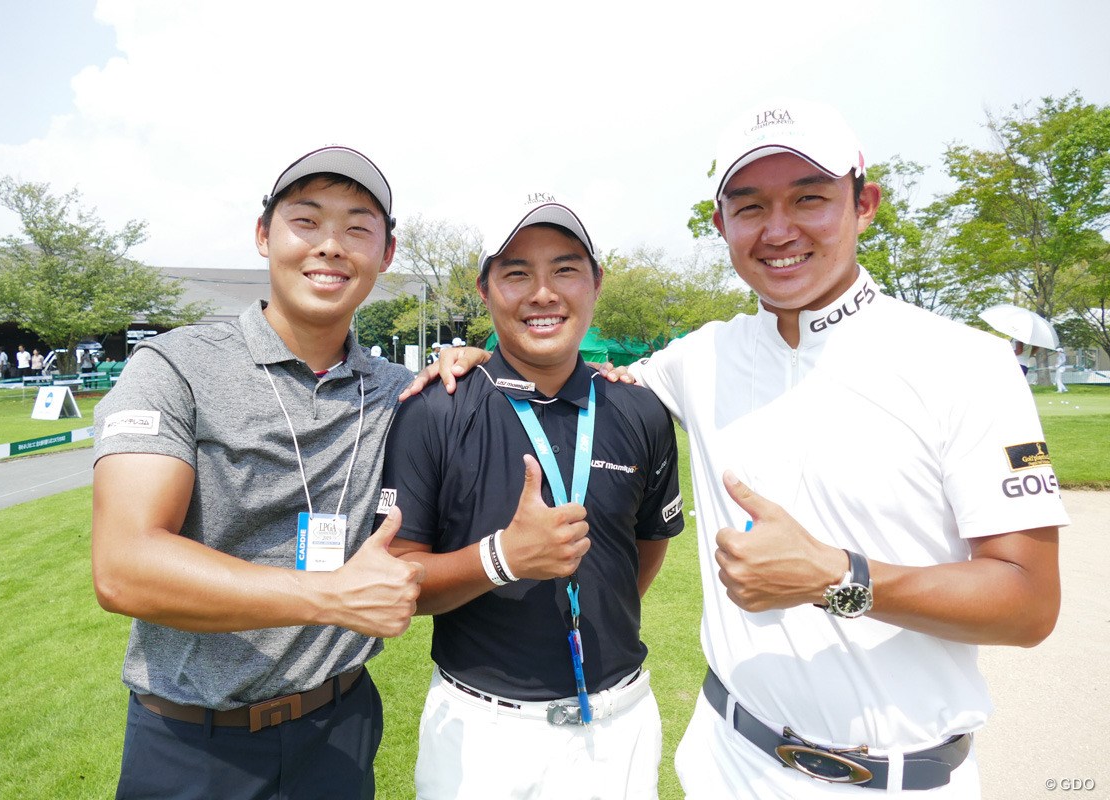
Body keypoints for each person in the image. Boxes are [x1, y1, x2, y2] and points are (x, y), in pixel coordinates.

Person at [605, 99, 1066, 798]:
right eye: (751, 206)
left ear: (865, 204)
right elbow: (580, 383)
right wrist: (464, 365)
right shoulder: (700, 358)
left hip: (903, 779)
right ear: (720, 224)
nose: (779, 230)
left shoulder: (967, 364)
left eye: (810, 198)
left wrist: (836, 578)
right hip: (726, 762)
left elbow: (1029, 602)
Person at [91, 145, 428, 800]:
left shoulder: (403, 392)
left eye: (358, 226)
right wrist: (328, 595)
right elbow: (124, 565)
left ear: (386, 254)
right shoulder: (174, 367)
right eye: (307, 220)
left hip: (341, 729)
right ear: (263, 235)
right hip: (192, 744)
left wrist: (470, 363)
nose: (330, 245)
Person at [381, 195, 684, 799]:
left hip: (618, 723)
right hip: (482, 733)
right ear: (486, 289)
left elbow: (644, 549)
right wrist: (504, 560)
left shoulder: (639, 408)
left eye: (565, 269)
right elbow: (396, 577)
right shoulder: (436, 409)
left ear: (596, 283)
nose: (543, 293)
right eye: (517, 272)